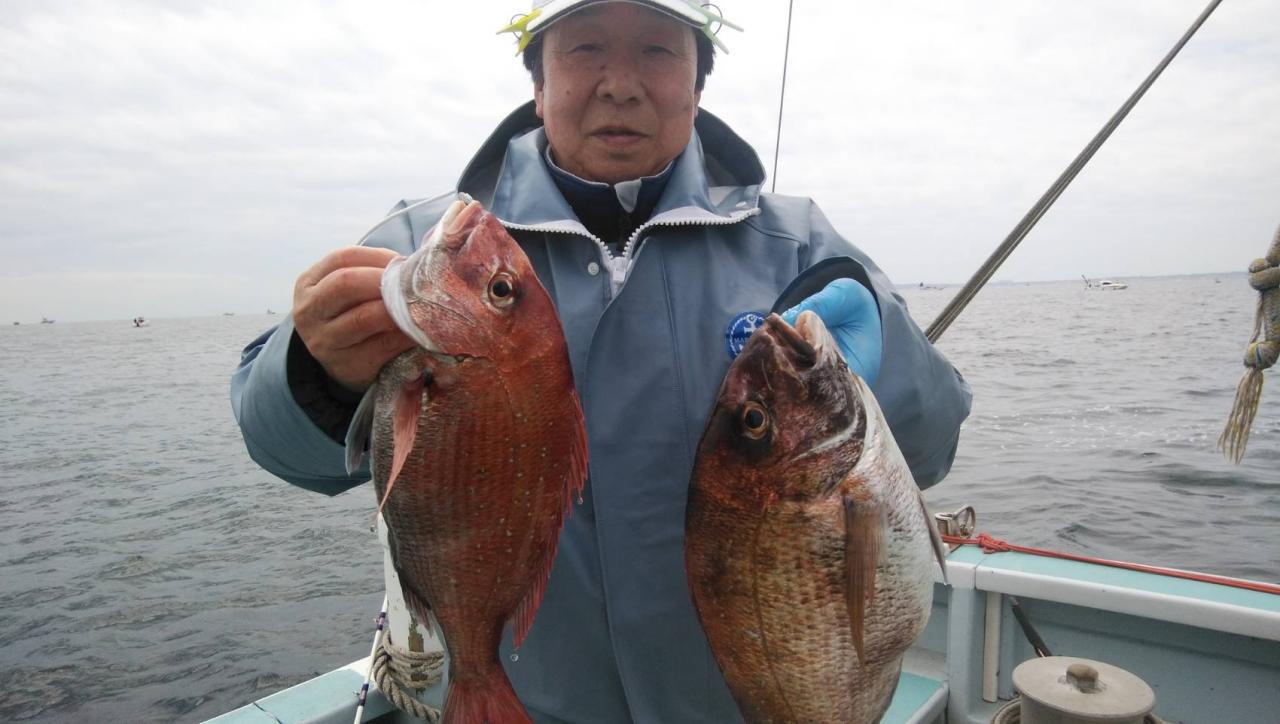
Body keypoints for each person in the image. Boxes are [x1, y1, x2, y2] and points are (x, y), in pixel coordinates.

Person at [231, 1, 971, 721]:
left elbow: (932, 448)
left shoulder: (797, 243)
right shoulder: (433, 249)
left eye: (657, 50)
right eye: (585, 48)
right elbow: (284, 451)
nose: (620, 84)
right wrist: (321, 371)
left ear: (697, 86)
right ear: (539, 83)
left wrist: (884, 358)